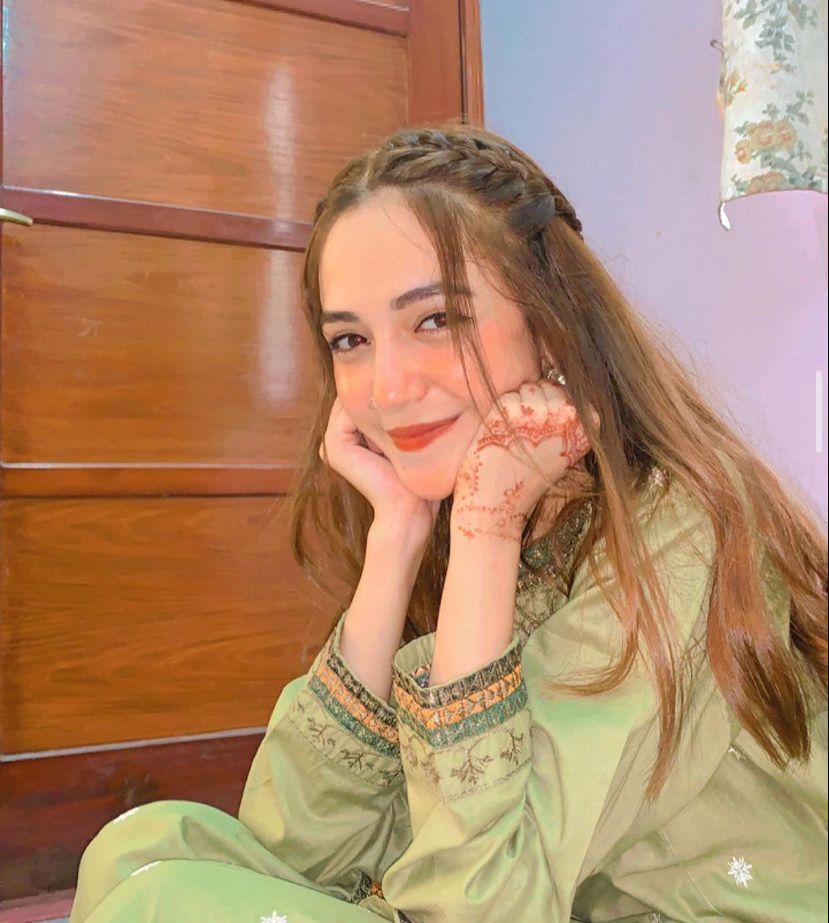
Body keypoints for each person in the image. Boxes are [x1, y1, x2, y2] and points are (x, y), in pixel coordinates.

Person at [69, 122, 827, 923]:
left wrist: (484, 529)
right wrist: (397, 535)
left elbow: (480, 905)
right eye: (350, 339)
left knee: (161, 904)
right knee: (139, 849)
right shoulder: (462, 513)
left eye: (435, 319)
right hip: (494, 896)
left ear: (551, 321)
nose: (386, 387)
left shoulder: (678, 529)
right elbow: (300, 848)